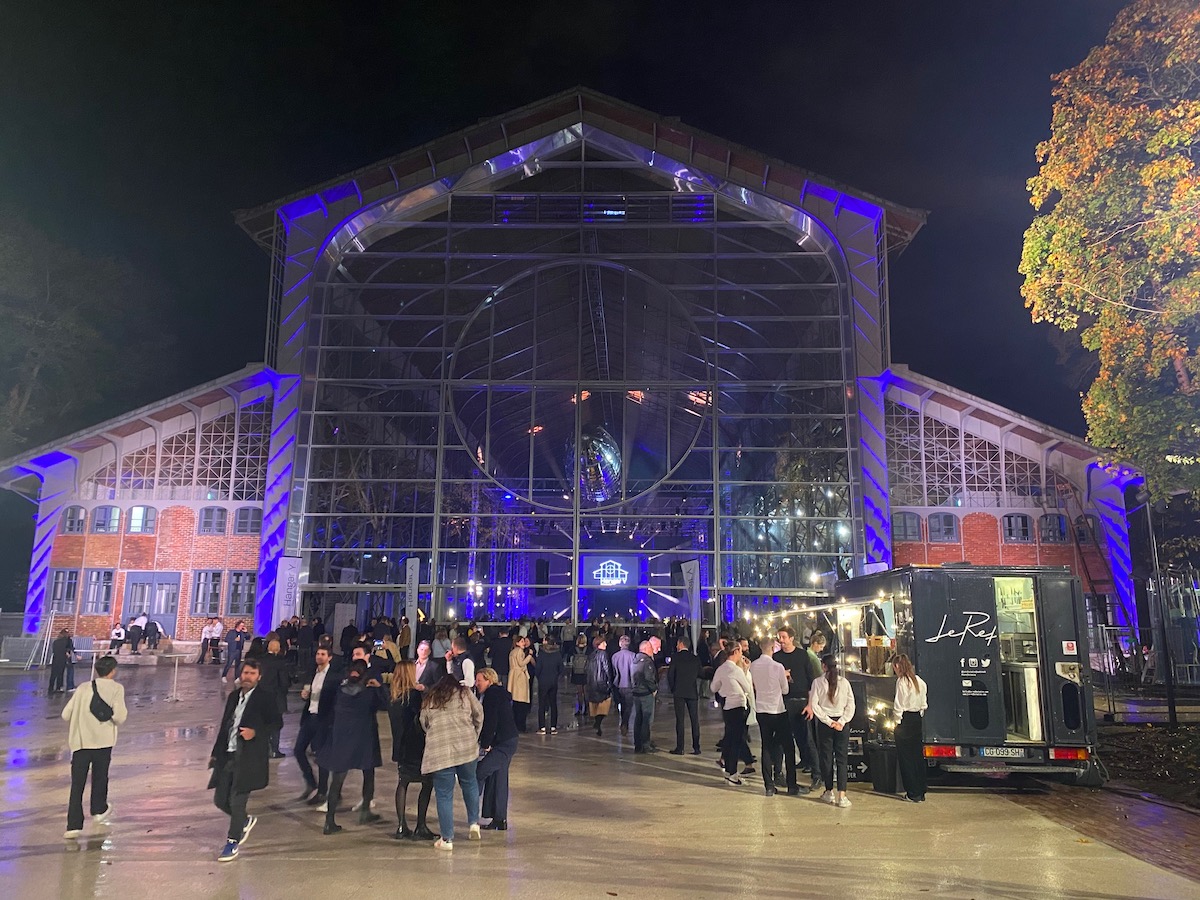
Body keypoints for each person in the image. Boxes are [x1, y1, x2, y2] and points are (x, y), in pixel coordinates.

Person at [208, 658, 282, 861]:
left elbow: (276, 723)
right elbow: (225, 726)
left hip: (248, 757)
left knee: (237, 800)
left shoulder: (265, 698)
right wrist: (215, 753)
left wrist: (255, 732)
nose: (247, 677)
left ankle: (232, 842)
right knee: (220, 799)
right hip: (228, 754)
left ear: (259, 677)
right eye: (245, 673)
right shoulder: (233, 697)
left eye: (252, 674)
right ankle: (244, 821)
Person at [61, 654, 127, 839]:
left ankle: (73, 825)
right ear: (113, 671)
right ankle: (99, 809)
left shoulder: (83, 688)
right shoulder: (116, 689)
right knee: (100, 777)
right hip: (103, 742)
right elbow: (120, 717)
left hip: (81, 743)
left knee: (77, 785)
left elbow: (66, 714)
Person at [318, 659, 386, 834]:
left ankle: (329, 820)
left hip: (341, 738)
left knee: (337, 780)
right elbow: (386, 705)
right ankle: (365, 811)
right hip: (364, 738)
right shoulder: (369, 693)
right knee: (368, 773)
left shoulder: (339, 692)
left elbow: (326, 709)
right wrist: (378, 687)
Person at [419, 674, 484, 851]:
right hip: (466, 747)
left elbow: (423, 722)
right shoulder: (465, 693)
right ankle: (473, 824)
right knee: (470, 783)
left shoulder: (431, 697)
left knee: (444, 794)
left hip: (441, 750)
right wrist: (474, 735)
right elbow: (479, 714)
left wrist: (433, 733)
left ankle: (447, 839)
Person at [388, 660, 436, 840]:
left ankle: (401, 826)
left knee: (403, 782)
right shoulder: (414, 696)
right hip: (416, 746)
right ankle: (421, 825)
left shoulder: (393, 696)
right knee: (427, 782)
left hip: (400, 746)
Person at [751, 639, 805, 796]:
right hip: (777, 710)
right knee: (788, 747)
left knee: (766, 747)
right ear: (773, 649)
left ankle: (769, 785)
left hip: (761, 709)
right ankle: (791, 785)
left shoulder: (754, 666)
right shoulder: (777, 666)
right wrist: (785, 677)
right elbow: (785, 690)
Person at [808, 653, 856, 808]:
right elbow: (851, 705)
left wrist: (828, 722)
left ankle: (829, 791)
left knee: (826, 758)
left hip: (825, 725)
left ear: (823, 666)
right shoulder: (845, 683)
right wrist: (841, 722)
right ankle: (842, 795)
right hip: (842, 724)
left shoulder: (817, 682)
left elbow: (815, 705)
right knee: (842, 759)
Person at [475, 667, 518, 830]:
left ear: (489, 680)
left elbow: (490, 721)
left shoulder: (491, 695)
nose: (476, 683)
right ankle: (499, 819)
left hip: (504, 743)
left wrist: (485, 744)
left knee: (480, 772)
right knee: (499, 778)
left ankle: (473, 814)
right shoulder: (499, 694)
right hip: (508, 740)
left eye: (479, 680)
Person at [295, 645, 339, 806]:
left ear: (329, 657)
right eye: (318, 653)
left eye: (323, 654)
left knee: (321, 756)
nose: (319, 656)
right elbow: (310, 693)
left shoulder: (333, 677)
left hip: (323, 720)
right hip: (310, 717)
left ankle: (322, 791)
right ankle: (311, 782)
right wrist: (304, 696)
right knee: (298, 750)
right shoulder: (313, 674)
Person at [776, 625, 819, 785]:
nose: (781, 640)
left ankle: (817, 774)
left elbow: (811, 680)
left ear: (791, 638)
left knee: (807, 738)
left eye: (784, 637)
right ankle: (786, 771)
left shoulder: (802, 655)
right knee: (785, 738)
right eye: (779, 637)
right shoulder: (777, 657)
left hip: (802, 701)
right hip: (784, 701)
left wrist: (811, 703)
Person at [710, 642, 755, 785]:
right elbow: (747, 688)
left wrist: (725, 688)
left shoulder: (721, 669)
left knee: (730, 738)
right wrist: (746, 671)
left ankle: (730, 770)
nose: (742, 654)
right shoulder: (736, 670)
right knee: (736, 740)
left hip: (727, 706)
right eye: (740, 651)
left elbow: (713, 687)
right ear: (735, 652)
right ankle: (733, 773)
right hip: (738, 706)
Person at [892, 653, 929, 803]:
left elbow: (898, 704)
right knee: (917, 756)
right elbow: (924, 704)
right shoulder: (919, 681)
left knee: (906, 758)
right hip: (917, 720)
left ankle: (912, 792)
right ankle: (921, 790)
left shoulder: (902, 682)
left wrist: (896, 721)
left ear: (898, 666)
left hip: (905, 720)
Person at [667, 635, 702, 755]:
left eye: (677, 643)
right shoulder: (695, 658)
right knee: (694, 720)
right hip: (692, 691)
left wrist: (673, 688)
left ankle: (680, 747)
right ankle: (696, 747)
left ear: (681, 644)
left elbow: (670, 675)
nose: (676, 646)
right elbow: (700, 673)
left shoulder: (675, 657)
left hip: (679, 692)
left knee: (680, 721)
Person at [259, 638, 289, 758]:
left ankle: (263, 749)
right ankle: (275, 749)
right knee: (276, 724)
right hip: (276, 697)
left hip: (262, 696)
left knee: (263, 723)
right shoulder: (280, 662)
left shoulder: (261, 660)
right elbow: (284, 681)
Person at [631, 640, 659, 753]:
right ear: (647, 649)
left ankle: (638, 744)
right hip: (645, 693)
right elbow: (648, 678)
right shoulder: (647, 662)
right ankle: (645, 745)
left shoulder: (634, 660)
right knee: (647, 719)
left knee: (638, 719)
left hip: (636, 693)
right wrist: (654, 689)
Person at [585, 636, 614, 736]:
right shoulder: (603, 654)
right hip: (602, 684)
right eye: (603, 643)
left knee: (596, 706)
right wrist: (610, 683)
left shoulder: (591, 655)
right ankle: (598, 723)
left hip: (592, 684)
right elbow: (606, 669)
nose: (605, 644)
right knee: (604, 706)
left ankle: (597, 724)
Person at [534, 638, 563, 734]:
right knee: (553, 704)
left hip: (543, 682)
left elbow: (537, 669)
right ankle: (553, 727)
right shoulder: (557, 654)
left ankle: (542, 727)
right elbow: (561, 669)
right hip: (553, 682)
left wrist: (539, 677)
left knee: (542, 704)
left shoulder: (542, 655)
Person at [610, 634, 637, 737]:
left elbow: (614, 671)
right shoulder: (633, 656)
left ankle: (623, 722)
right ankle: (625, 723)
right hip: (629, 684)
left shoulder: (615, 656)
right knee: (629, 706)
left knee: (622, 704)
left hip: (619, 684)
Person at [507, 636, 533, 732]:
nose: (524, 643)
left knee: (516, 702)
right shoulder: (519, 652)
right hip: (519, 677)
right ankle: (520, 725)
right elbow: (521, 663)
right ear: (517, 643)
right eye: (522, 641)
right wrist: (529, 656)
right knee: (521, 701)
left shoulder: (512, 652)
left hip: (514, 675)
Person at [569, 634, 590, 719]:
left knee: (579, 692)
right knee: (586, 692)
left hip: (577, 673)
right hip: (585, 672)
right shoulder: (588, 649)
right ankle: (587, 710)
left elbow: (569, 657)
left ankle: (580, 709)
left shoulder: (574, 649)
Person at [49, 629, 75, 695]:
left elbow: (54, 650)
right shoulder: (66, 642)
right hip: (62, 659)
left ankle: (50, 688)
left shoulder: (55, 642)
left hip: (55, 659)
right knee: (60, 674)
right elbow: (67, 649)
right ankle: (59, 687)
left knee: (53, 674)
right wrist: (67, 653)